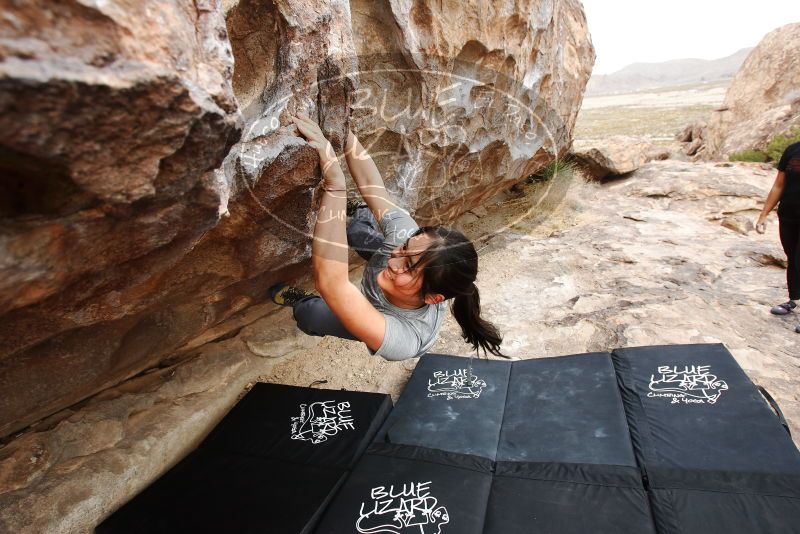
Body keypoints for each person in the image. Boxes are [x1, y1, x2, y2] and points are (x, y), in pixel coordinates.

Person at [268, 113, 504, 360]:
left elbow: (331, 283)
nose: (394, 259)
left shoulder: (405, 339)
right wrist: (342, 130)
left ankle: (301, 301)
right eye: (405, 248)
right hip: (397, 289)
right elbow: (373, 186)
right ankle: (356, 212)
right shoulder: (404, 240)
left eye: (409, 267)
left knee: (312, 314)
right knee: (359, 230)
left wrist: (335, 185)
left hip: (378, 312)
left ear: (433, 298)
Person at [756, 140, 800, 333]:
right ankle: (794, 300)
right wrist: (764, 214)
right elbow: (778, 185)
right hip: (789, 216)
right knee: (792, 258)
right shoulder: (792, 150)